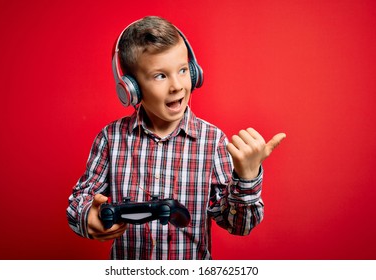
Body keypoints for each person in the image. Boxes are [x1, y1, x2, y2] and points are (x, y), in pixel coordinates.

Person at [66, 16, 286, 260]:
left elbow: (239, 225)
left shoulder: (212, 142)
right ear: (131, 88)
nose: (177, 86)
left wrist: (247, 177)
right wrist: (87, 216)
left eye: (183, 70)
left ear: (194, 71)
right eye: (160, 76)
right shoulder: (111, 139)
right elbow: (79, 201)